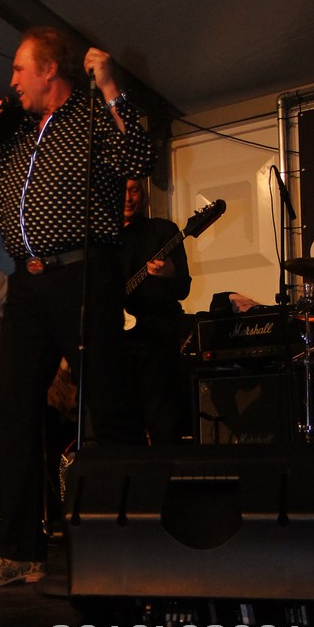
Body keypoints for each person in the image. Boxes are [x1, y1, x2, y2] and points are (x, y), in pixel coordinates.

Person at [0, 26, 156, 588]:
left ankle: (133, 541)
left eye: (19, 69)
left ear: (49, 70)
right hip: (28, 284)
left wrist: (111, 87)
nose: (12, 80)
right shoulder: (18, 136)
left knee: (108, 405)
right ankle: (21, 550)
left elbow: (140, 156)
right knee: (13, 408)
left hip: (83, 275)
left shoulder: (91, 117)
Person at [120, 179, 192, 444]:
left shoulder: (162, 230)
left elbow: (183, 288)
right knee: (124, 424)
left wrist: (171, 272)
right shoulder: (103, 240)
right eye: (122, 191)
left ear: (143, 194)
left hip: (157, 342)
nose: (128, 198)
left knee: (163, 422)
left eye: (134, 190)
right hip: (118, 344)